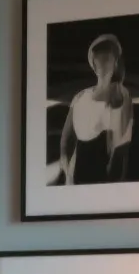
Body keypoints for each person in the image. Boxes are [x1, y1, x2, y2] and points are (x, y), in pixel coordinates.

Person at [57, 34, 135, 185]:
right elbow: (66, 138)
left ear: (116, 62)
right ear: (93, 62)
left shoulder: (122, 95)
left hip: (102, 176)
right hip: (75, 176)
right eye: (98, 57)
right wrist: (65, 164)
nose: (102, 62)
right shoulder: (80, 96)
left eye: (107, 56)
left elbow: (120, 149)